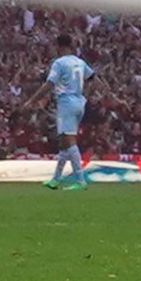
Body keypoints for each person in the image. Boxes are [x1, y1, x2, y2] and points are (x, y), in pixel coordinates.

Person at [46, 43, 97, 187]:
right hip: (79, 102)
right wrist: (85, 93)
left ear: (60, 47)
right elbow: (92, 77)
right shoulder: (80, 62)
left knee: (69, 140)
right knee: (63, 141)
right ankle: (56, 179)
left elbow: (49, 83)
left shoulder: (59, 63)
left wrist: (32, 100)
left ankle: (80, 180)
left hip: (66, 102)